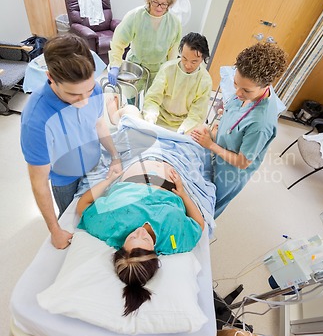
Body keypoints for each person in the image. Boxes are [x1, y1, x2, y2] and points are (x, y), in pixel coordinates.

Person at [21, 33, 122, 250]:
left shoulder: (93, 88)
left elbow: (99, 124)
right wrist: (55, 230)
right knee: (73, 220)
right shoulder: (36, 120)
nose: (84, 101)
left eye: (87, 91)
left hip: (94, 163)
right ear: (50, 77)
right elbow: (39, 184)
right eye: (74, 95)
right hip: (64, 179)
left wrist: (114, 156)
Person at [76, 159, 205, 316]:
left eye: (131, 238)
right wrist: (183, 194)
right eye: (145, 240)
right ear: (154, 253)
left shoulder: (109, 227)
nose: (140, 232)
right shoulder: (173, 241)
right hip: (174, 171)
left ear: (122, 247)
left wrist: (109, 180)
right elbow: (199, 224)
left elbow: (83, 204)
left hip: (137, 164)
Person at [191, 42, 288, 219]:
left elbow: (243, 162)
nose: (237, 93)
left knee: (208, 206)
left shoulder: (261, 123)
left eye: (246, 90)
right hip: (219, 148)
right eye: (236, 84)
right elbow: (234, 112)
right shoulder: (247, 88)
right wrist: (218, 125)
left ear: (265, 86)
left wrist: (211, 145)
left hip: (231, 172)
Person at [108, 0, 182, 89]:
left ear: (169, 3)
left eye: (163, 4)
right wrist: (115, 64)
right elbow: (119, 42)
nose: (159, 7)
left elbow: (173, 50)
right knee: (131, 99)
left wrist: (170, 72)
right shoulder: (135, 16)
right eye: (155, 2)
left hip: (159, 70)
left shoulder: (174, 22)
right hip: (135, 67)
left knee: (151, 101)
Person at [142, 32, 212, 133]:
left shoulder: (205, 81)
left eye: (194, 62)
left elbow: (196, 115)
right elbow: (152, 99)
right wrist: (150, 119)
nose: (188, 65)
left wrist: (182, 131)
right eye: (184, 58)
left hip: (185, 125)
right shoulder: (168, 69)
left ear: (202, 59)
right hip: (159, 119)